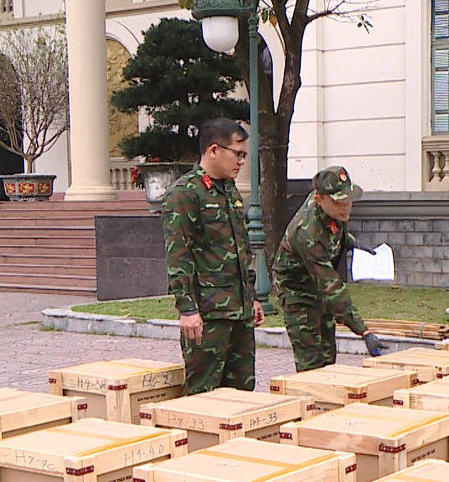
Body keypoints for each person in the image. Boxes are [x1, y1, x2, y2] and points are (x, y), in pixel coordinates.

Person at [161, 118, 264, 394]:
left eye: (244, 156)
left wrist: (251, 297)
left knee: (241, 393)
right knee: (203, 394)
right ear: (214, 150)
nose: (241, 162)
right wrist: (187, 309)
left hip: (239, 313)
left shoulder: (229, 190)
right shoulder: (185, 193)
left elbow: (241, 249)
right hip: (208, 316)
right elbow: (178, 255)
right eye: (237, 154)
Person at [272, 166, 387, 371]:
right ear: (319, 199)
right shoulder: (307, 233)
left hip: (319, 289)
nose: (345, 207)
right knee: (311, 363)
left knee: (328, 355)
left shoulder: (331, 210)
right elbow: (331, 288)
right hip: (297, 293)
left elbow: (333, 231)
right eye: (338, 202)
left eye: (348, 200)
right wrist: (364, 332)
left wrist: (351, 242)